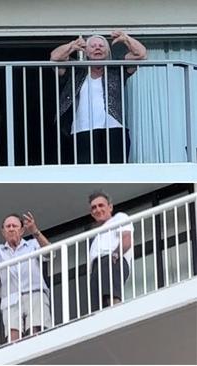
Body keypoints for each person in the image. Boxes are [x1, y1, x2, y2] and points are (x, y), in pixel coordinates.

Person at [50, 31, 147, 164]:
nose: (97, 48)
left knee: (115, 173)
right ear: (86, 52)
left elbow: (141, 54)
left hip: (114, 129)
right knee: (86, 175)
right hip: (82, 130)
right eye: (93, 46)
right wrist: (72, 46)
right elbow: (55, 58)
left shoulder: (116, 70)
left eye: (101, 46)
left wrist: (126, 39)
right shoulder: (75, 71)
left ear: (107, 52)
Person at [0, 213, 53, 342]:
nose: (11, 228)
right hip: (11, 298)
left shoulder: (33, 244)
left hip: (34, 293)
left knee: (37, 333)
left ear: (22, 230)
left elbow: (50, 253)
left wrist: (35, 231)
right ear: (3, 231)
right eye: (8, 226)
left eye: (14, 226)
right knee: (13, 338)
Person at [87, 190, 133, 312]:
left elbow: (127, 238)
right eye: (94, 207)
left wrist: (117, 253)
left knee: (111, 294)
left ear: (110, 207)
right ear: (91, 213)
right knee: (98, 304)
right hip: (97, 267)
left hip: (112, 259)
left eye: (101, 205)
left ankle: (116, 312)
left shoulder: (119, 217)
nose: (97, 209)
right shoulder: (95, 234)